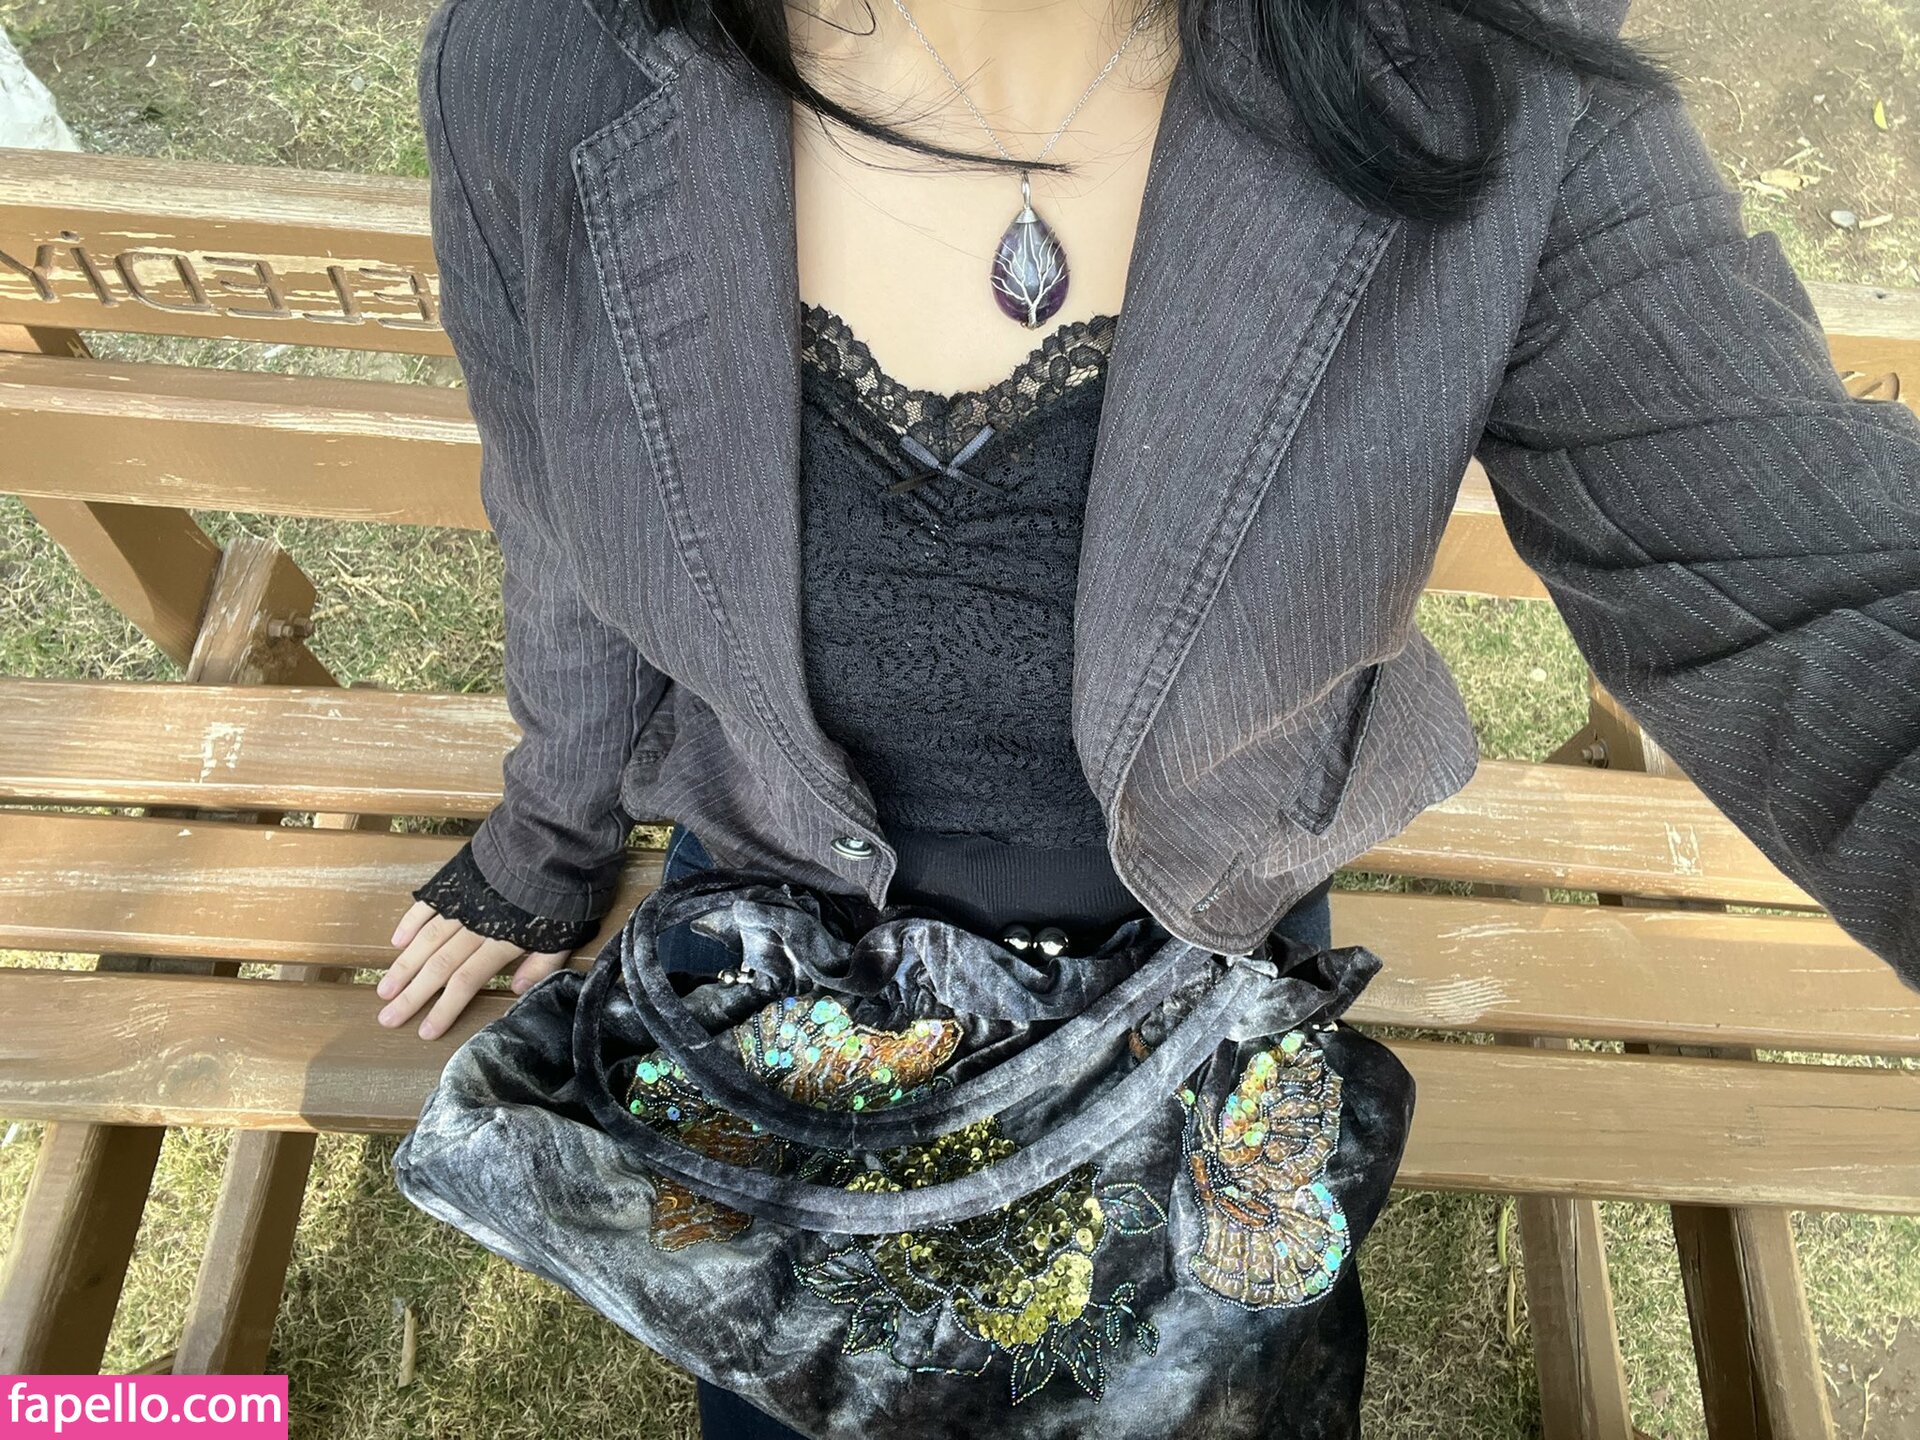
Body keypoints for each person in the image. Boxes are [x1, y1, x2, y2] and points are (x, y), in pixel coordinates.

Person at [378, 0, 1920, 1432]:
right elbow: (559, 525)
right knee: (811, 1382)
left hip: (1205, 952)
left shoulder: (1481, 81)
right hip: (775, 977)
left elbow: (1815, 594)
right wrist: (544, 842)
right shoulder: (542, 67)